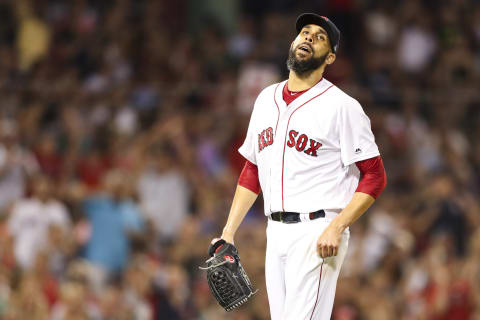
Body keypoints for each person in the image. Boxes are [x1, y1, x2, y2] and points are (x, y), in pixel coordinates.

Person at [213, 13, 387, 319]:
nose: (308, 37)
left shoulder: (342, 107)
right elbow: (252, 170)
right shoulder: (266, 99)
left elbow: (374, 175)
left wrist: (337, 226)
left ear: (330, 57)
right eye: (304, 32)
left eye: (319, 37)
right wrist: (229, 231)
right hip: (275, 231)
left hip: (318, 230)